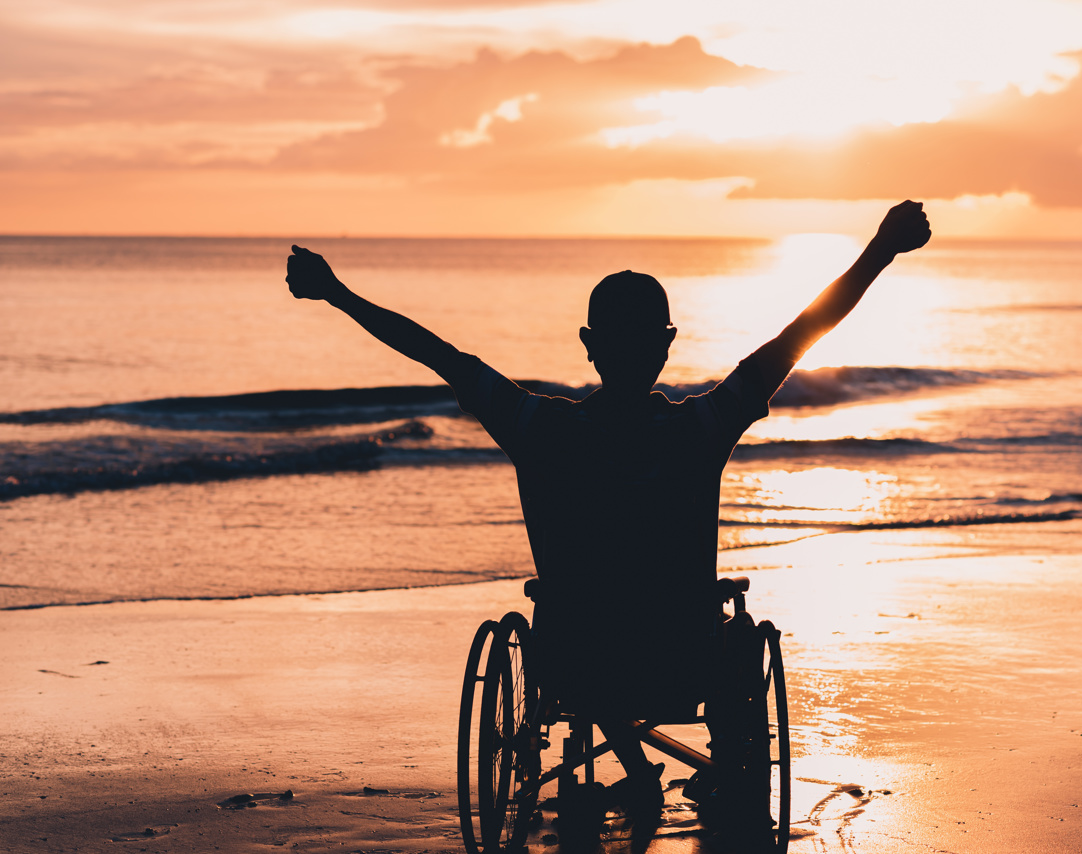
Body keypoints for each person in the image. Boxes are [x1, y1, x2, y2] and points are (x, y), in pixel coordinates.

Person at [285, 200, 930, 822]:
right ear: (666, 345)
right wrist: (880, 249)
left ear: (589, 345)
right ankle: (661, 768)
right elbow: (800, 336)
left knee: (582, 620)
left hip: (573, 658)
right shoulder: (701, 427)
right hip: (683, 657)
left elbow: (439, 356)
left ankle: (632, 763)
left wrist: (336, 293)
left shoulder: (536, 426)